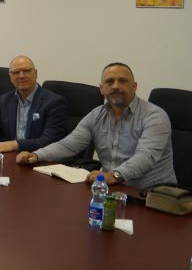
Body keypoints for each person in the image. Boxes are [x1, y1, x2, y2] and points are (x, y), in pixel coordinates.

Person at [16, 62, 176, 190]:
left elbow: (146, 156)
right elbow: (69, 145)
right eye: (109, 82)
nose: (115, 86)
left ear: (134, 86)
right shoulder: (96, 115)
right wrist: (36, 155)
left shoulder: (155, 116)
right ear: (101, 89)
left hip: (153, 196)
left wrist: (114, 175)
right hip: (110, 189)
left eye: (122, 81)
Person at [0, 55, 67, 153]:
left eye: (26, 71)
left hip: (38, 158)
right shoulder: (4, 100)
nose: (21, 76)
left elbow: (50, 140)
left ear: (35, 73)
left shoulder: (54, 102)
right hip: (10, 156)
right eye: (16, 72)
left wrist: (15, 145)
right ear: (10, 77)